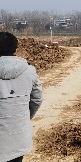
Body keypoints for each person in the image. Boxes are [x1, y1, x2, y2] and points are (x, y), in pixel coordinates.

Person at [0, 32, 43, 162]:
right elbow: (37, 99)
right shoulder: (29, 71)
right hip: (17, 139)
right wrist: (22, 118)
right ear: (15, 48)